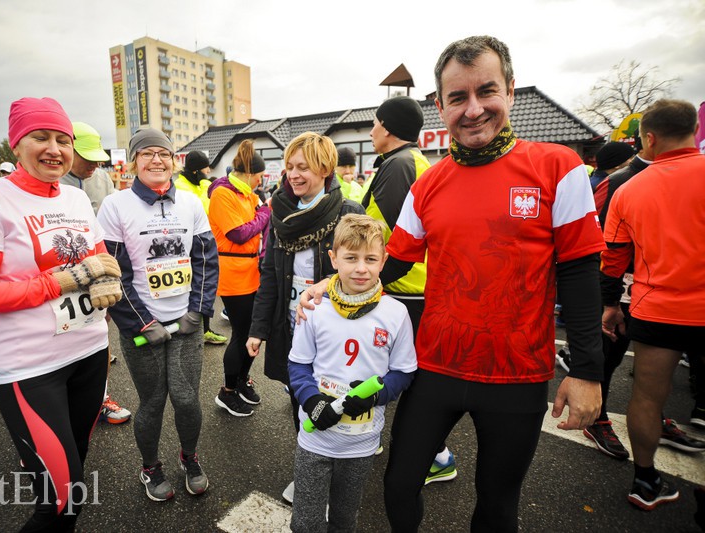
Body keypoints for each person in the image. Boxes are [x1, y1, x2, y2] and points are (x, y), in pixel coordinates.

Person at [301, 35, 605, 532]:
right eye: (458, 98)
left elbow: (578, 270)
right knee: (399, 485)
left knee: (497, 504)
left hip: (517, 375)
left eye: (486, 91)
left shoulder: (558, 166)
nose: (474, 109)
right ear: (440, 105)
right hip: (436, 367)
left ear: (510, 89)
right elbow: (393, 261)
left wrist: (589, 371)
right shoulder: (429, 183)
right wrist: (329, 287)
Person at [0, 97, 122, 529]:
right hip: (30, 367)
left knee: (75, 469)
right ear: (16, 145)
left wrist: (107, 277)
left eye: (63, 140)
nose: (54, 149)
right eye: (40, 138)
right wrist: (64, 280)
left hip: (89, 352)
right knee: (62, 499)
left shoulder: (76, 198)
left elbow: (98, 254)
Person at [97, 128, 218, 500]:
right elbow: (112, 272)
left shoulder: (191, 204)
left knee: (186, 399)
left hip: (185, 323)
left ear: (174, 160)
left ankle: (190, 457)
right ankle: (150, 467)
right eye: (147, 153)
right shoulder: (115, 205)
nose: (156, 160)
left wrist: (197, 313)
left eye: (163, 153)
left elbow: (205, 260)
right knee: (152, 402)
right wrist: (141, 323)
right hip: (141, 326)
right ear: (133, 161)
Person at [247, 131, 365, 503]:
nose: (294, 175)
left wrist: (331, 282)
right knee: (302, 405)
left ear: (326, 169)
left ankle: (335, 479)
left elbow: (369, 270)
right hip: (293, 329)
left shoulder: (348, 213)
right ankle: (311, 473)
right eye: (290, 167)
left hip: (336, 331)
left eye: (303, 167)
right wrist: (258, 329)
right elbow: (269, 276)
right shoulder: (280, 214)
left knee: (335, 405)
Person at [600, 99, 705, 511]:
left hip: (655, 306)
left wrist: (610, 305)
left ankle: (645, 480)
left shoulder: (629, 189)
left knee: (647, 396)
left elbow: (613, 258)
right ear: (695, 132)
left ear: (649, 137)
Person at [289, 214, 417, 532]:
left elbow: (403, 372)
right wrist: (311, 401)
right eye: (351, 258)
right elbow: (298, 365)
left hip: (361, 443)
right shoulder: (314, 307)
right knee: (305, 523)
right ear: (333, 259)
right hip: (315, 440)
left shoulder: (396, 313)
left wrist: (376, 394)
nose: (361, 268)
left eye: (370, 259)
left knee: (345, 521)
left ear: (383, 260)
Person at [364, 94, 457, 480]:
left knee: (407, 372)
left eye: (374, 123)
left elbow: (383, 234)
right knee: (403, 370)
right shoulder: (412, 161)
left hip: (403, 288)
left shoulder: (400, 165)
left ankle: (435, 455)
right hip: (414, 286)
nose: (371, 131)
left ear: (386, 127)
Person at [59, 121, 131, 425]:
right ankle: (54, 412)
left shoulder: (102, 178)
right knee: (60, 342)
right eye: (86, 158)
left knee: (98, 333)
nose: (93, 165)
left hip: (99, 272)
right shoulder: (51, 180)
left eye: (96, 158)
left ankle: (100, 399)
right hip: (58, 279)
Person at [209, 140, 271, 417]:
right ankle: (227, 391)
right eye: (259, 176)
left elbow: (256, 222)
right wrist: (266, 212)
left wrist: (262, 211)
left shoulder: (247, 194)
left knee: (253, 334)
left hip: (252, 271)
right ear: (249, 174)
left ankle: (241, 380)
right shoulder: (223, 194)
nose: (261, 181)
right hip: (233, 272)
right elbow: (239, 233)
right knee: (241, 334)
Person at [175, 150, 228, 345]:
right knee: (190, 287)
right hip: (187, 245)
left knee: (205, 285)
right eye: (205, 168)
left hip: (207, 243)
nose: (208, 171)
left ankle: (205, 330)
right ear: (196, 170)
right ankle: (189, 327)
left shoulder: (204, 183)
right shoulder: (180, 187)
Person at [60, 122, 116, 214]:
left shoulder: (103, 179)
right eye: (89, 158)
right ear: (69, 151)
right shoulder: (51, 181)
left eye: (98, 159)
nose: (96, 165)